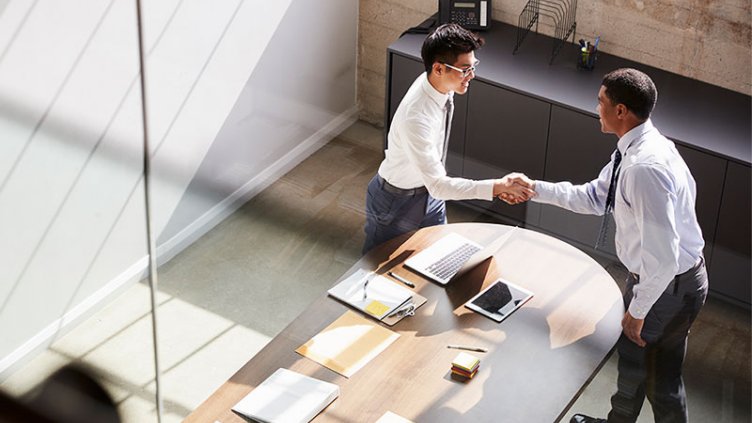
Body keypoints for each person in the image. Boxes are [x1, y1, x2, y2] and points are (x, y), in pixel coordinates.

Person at [521, 68, 708, 422]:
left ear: (621, 111)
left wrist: (637, 312)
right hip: (668, 283)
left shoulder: (643, 168)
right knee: (644, 374)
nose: (596, 108)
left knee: (656, 381)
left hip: (667, 287)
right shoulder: (637, 149)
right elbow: (595, 197)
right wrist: (534, 188)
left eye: (601, 102)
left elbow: (664, 259)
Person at [362, 23, 533, 254]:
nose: (471, 76)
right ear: (439, 68)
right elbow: (440, 185)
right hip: (396, 202)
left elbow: (436, 186)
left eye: (472, 67)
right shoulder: (417, 116)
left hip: (430, 194)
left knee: (438, 258)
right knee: (376, 269)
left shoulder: (439, 84)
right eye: (465, 70)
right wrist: (496, 187)